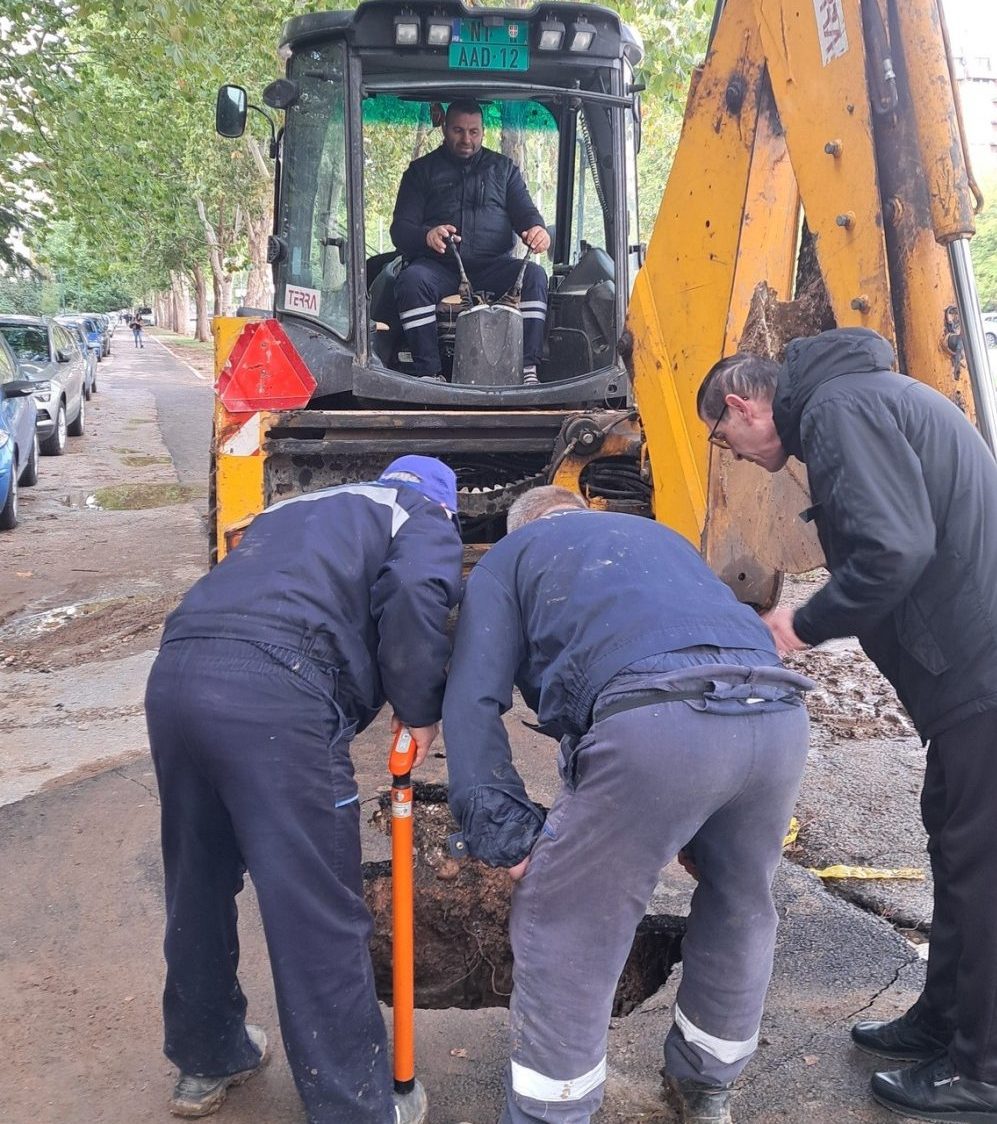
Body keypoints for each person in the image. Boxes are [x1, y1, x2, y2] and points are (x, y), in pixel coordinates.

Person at [697, 327, 997, 1123]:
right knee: (957, 847)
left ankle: (984, 1072)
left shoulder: (835, 406)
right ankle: (943, 1023)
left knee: (983, 870)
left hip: (982, 675)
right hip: (967, 677)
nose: (731, 454)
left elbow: (894, 549)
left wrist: (798, 623)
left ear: (739, 404)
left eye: (723, 439)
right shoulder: (864, 397)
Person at [442, 485, 813, 1124]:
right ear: (581, 511)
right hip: (776, 719)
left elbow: (472, 698)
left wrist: (502, 828)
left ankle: (549, 1113)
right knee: (741, 896)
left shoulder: (510, 558)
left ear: (520, 526)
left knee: (569, 918)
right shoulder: (664, 538)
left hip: (658, 725)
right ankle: (706, 1085)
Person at [144, 456, 463, 1123]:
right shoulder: (419, 512)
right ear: (444, 504)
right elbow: (413, 590)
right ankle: (355, 1106)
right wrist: (420, 704)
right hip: (277, 689)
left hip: (177, 671)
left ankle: (208, 1057)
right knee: (316, 908)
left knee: (197, 880)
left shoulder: (288, 509)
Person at [390, 99, 551, 384]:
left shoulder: (505, 170)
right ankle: (429, 373)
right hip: (439, 267)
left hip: (494, 266)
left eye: (473, 131)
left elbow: (526, 213)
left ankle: (527, 371)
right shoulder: (420, 172)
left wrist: (536, 229)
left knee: (536, 276)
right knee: (411, 281)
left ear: (483, 131)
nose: (466, 139)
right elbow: (400, 230)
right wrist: (426, 235)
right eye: (458, 130)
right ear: (444, 129)